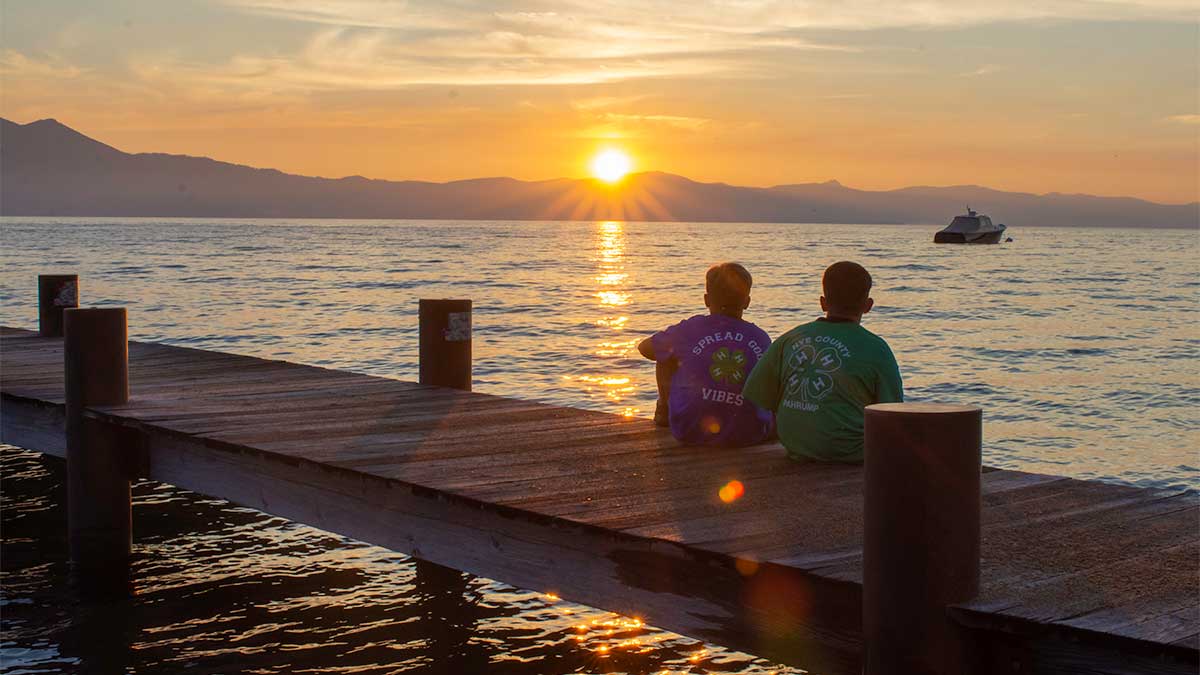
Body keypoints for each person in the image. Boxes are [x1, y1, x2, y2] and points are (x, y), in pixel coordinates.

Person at [743, 261, 903, 462]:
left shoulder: (792, 337)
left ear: (823, 302)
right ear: (868, 305)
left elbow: (758, 393)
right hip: (852, 452)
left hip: (795, 445)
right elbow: (894, 413)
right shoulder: (877, 348)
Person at [637, 263, 774, 446]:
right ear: (747, 302)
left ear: (706, 300)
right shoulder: (761, 338)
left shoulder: (690, 329)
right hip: (749, 434)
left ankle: (664, 411)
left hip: (690, 429)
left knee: (665, 352)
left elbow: (645, 348)